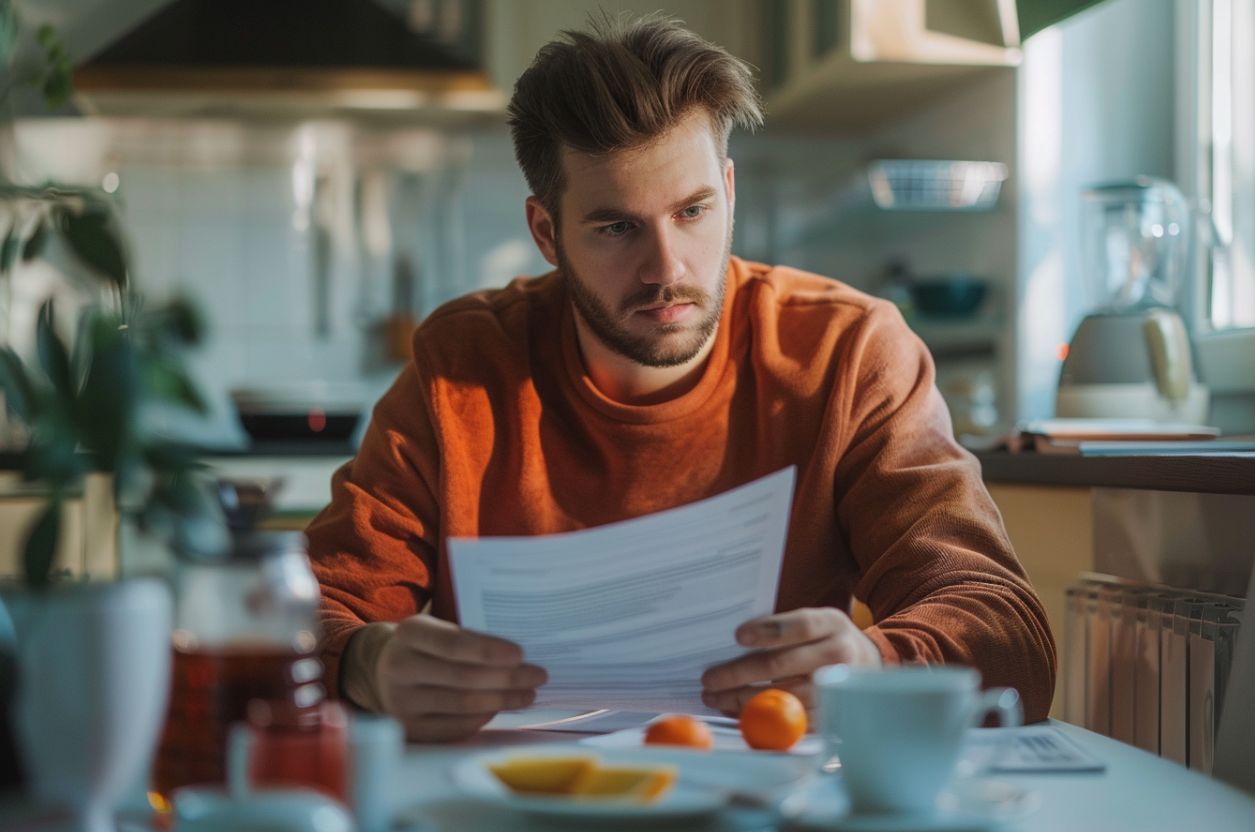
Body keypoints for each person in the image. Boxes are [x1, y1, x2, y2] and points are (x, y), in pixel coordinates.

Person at [306, 15, 1056, 743]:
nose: (666, 269)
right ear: (545, 233)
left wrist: (872, 665)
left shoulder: (847, 353)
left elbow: (1008, 635)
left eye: (692, 211)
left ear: (728, 192)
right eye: (615, 228)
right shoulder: (464, 365)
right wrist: (362, 665)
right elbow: (302, 615)